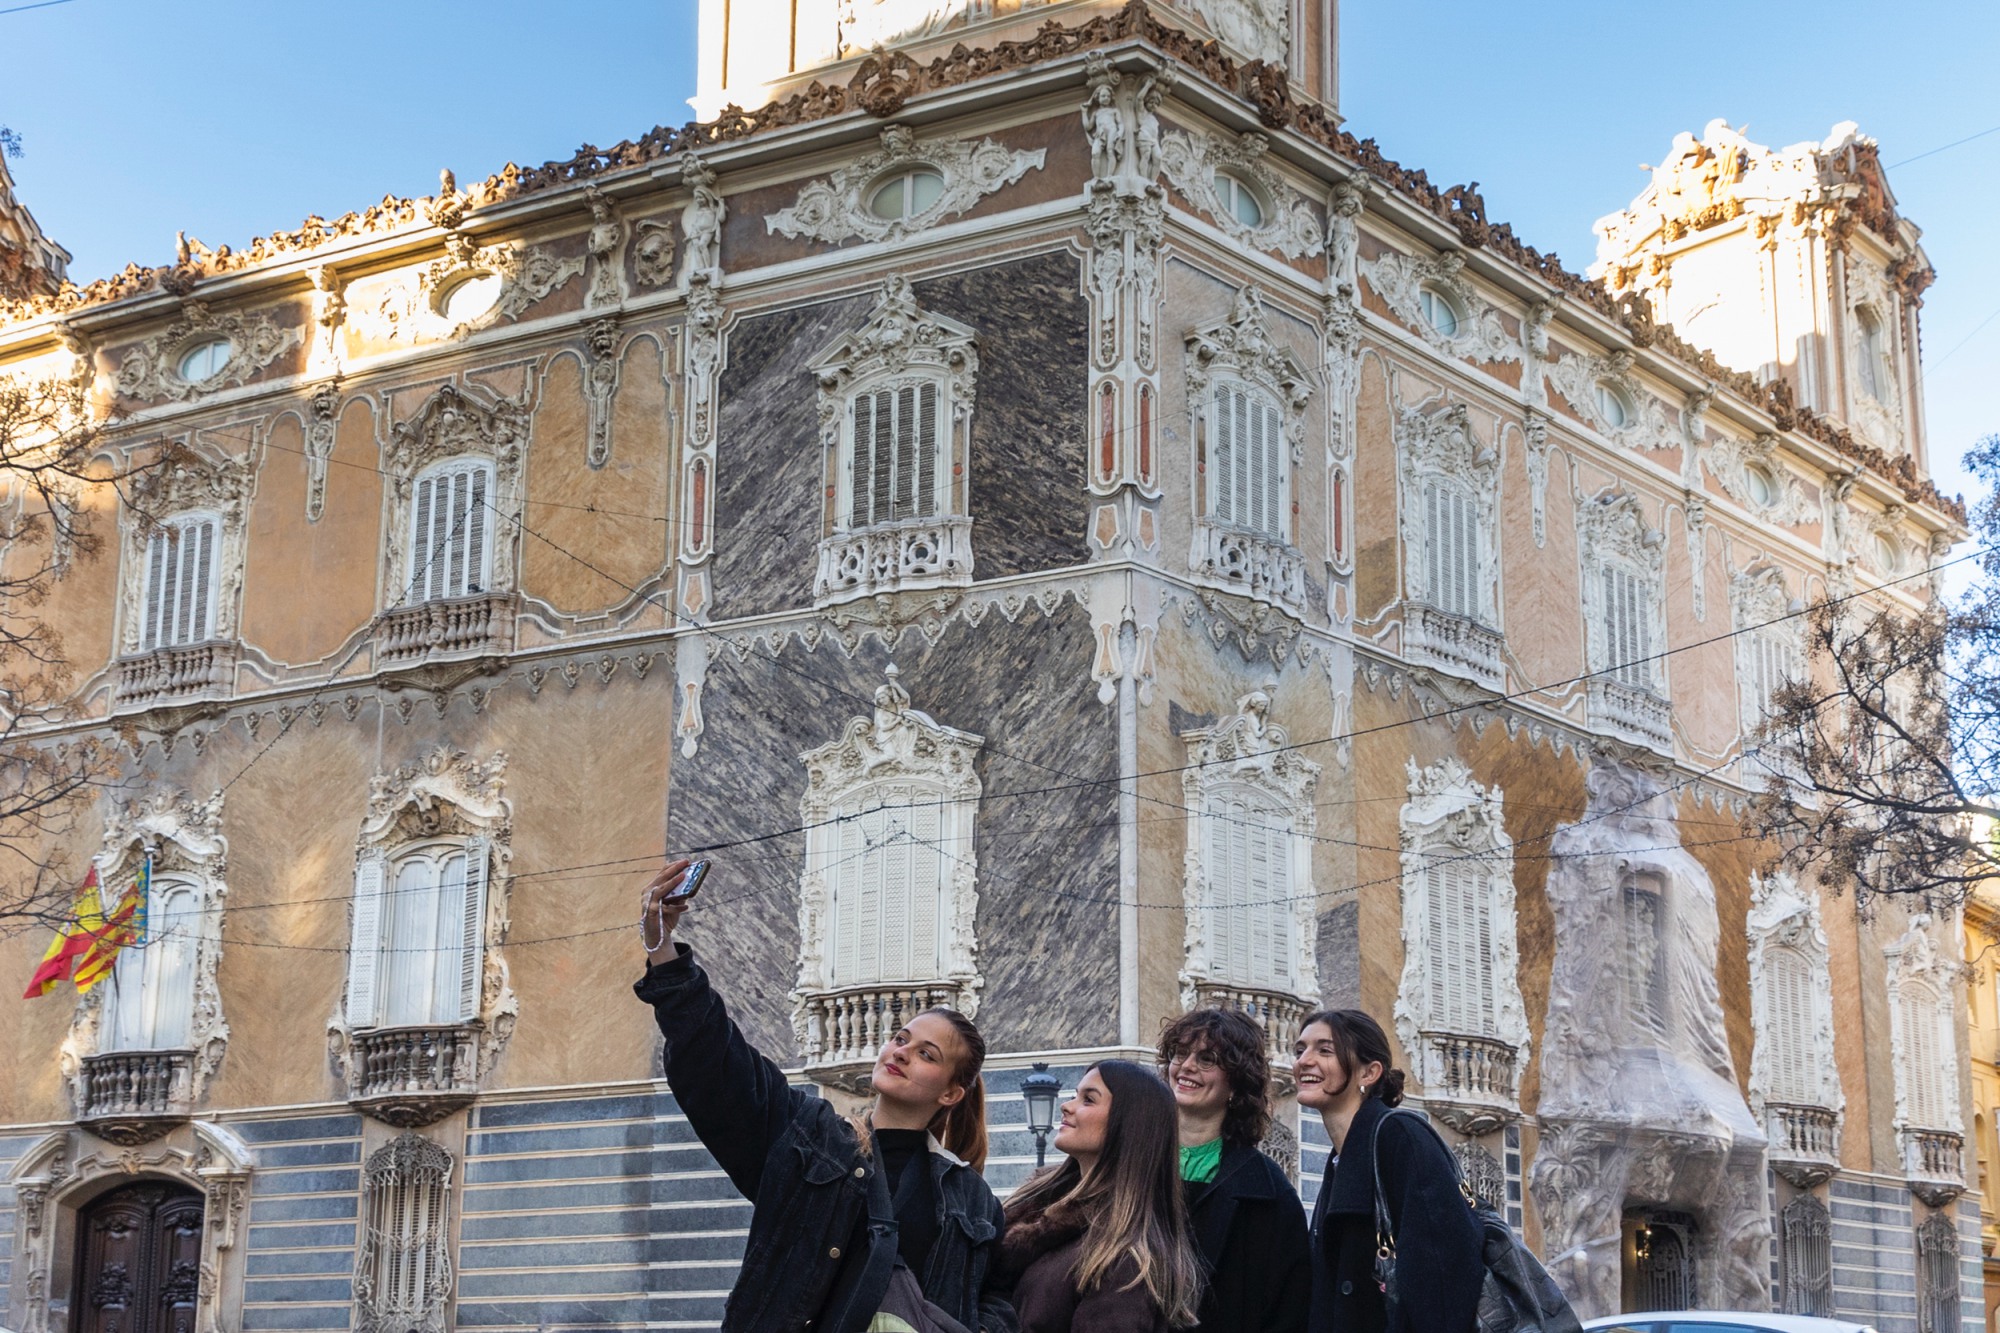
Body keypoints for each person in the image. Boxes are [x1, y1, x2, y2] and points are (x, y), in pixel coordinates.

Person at [634, 858, 1014, 1333]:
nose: (900, 1051)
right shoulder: (811, 1139)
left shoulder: (973, 1199)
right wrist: (663, 950)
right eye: (901, 1038)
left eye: (926, 1054)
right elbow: (718, 1062)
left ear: (952, 1093)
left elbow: (998, 1298)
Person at [1294, 1010, 1481, 1333]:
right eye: (1300, 1050)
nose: (1303, 1061)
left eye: (1325, 1050)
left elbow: (1444, 1279)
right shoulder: (1341, 1158)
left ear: (1369, 1073)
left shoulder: (1400, 1136)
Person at [997, 1060, 1204, 1333]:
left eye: (1089, 1099)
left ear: (1128, 1124)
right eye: (1075, 1095)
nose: (1066, 1106)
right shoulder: (1036, 1208)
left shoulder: (1126, 1261)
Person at [1158, 1008, 1311, 1333]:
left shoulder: (1269, 1192)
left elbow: (1289, 1309)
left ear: (1236, 1084)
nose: (1186, 1066)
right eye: (1180, 1053)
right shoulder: (1132, 1164)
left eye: (1207, 1059)